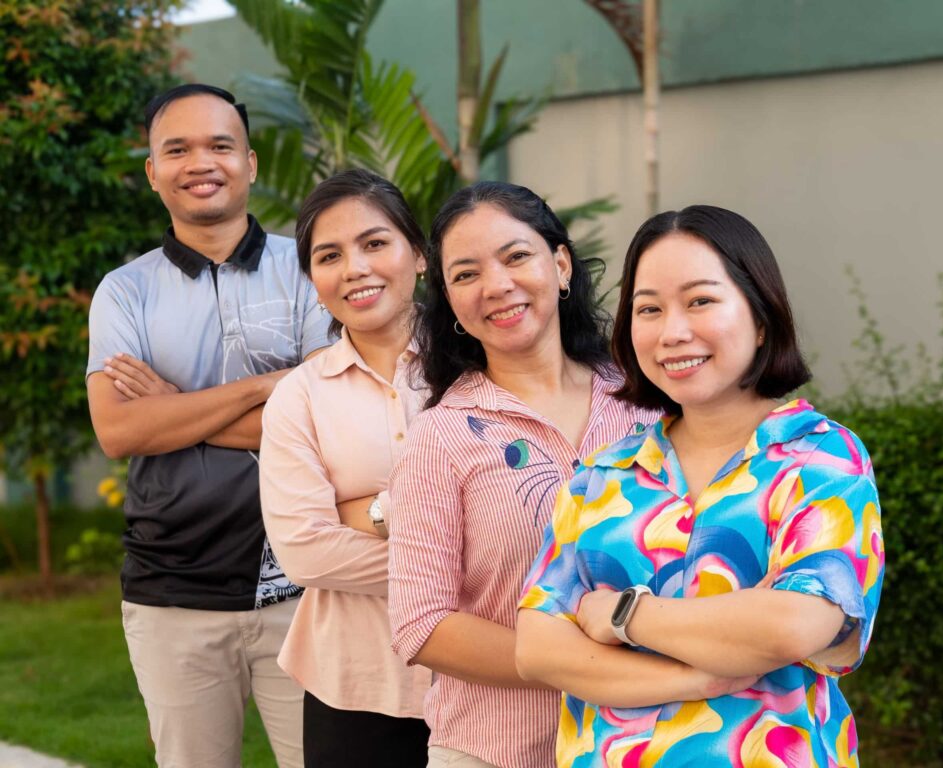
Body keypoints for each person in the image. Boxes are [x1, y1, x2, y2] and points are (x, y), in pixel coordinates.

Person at [387, 183, 746, 768]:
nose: (496, 285)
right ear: (449, 299)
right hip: (498, 749)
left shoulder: (650, 402)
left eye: (515, 256)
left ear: (560, 265)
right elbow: (422, 623)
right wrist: (592, 665)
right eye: (466, 274)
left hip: (658, 742)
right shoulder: (442, 436)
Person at [516, 204, 885, 767]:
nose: (673, 332)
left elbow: (797, 624)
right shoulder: (601, 476)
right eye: (649, 309)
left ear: (761, 317)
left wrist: (621, 614)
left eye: (700, 301)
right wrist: (700, 678)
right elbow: (538, 648)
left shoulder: (821, 458)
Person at [85, 83, 330, 768]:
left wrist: (172, 406)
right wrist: (268, 386)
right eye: (178, 149)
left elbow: (325, 422)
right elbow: (118, 431)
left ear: (250, 163)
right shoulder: (124, 292)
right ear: (152, 171)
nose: (200, 162)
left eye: (220, 145)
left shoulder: (312, 270)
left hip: (306, 586)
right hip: (174, 592)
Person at [258, 169, 432, 767]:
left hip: (485, 683)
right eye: (329, 256)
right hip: (354, 686)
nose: (354, 268)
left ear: (419, 255)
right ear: (313, 280)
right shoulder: (300, 397)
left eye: (374, 243)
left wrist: (365, 512)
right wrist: (453, 558)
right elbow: (305, 552)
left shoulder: (480, 368)